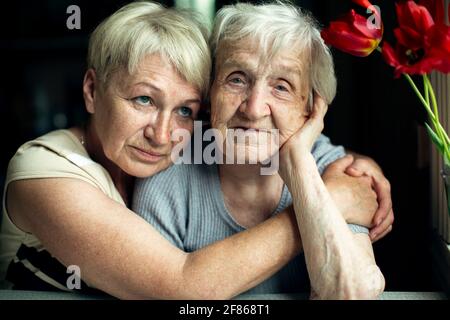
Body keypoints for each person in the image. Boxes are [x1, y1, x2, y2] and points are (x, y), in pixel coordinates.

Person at [0, 1, 391, 299]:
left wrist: (327, 172)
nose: (163, 133)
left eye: (185, 109)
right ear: (91, 91)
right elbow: (182, 285)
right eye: (143, 100)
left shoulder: (163, 159)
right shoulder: (44, 171)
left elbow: (352, 289)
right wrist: (325, 201)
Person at [133, 1, 388, 299]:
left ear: (311, 110)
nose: (254, 109)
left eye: (282, 87)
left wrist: (298, 165)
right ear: (210, 93)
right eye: (237, 79)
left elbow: (352, 292)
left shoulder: (334, 171)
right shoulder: (168, 178)